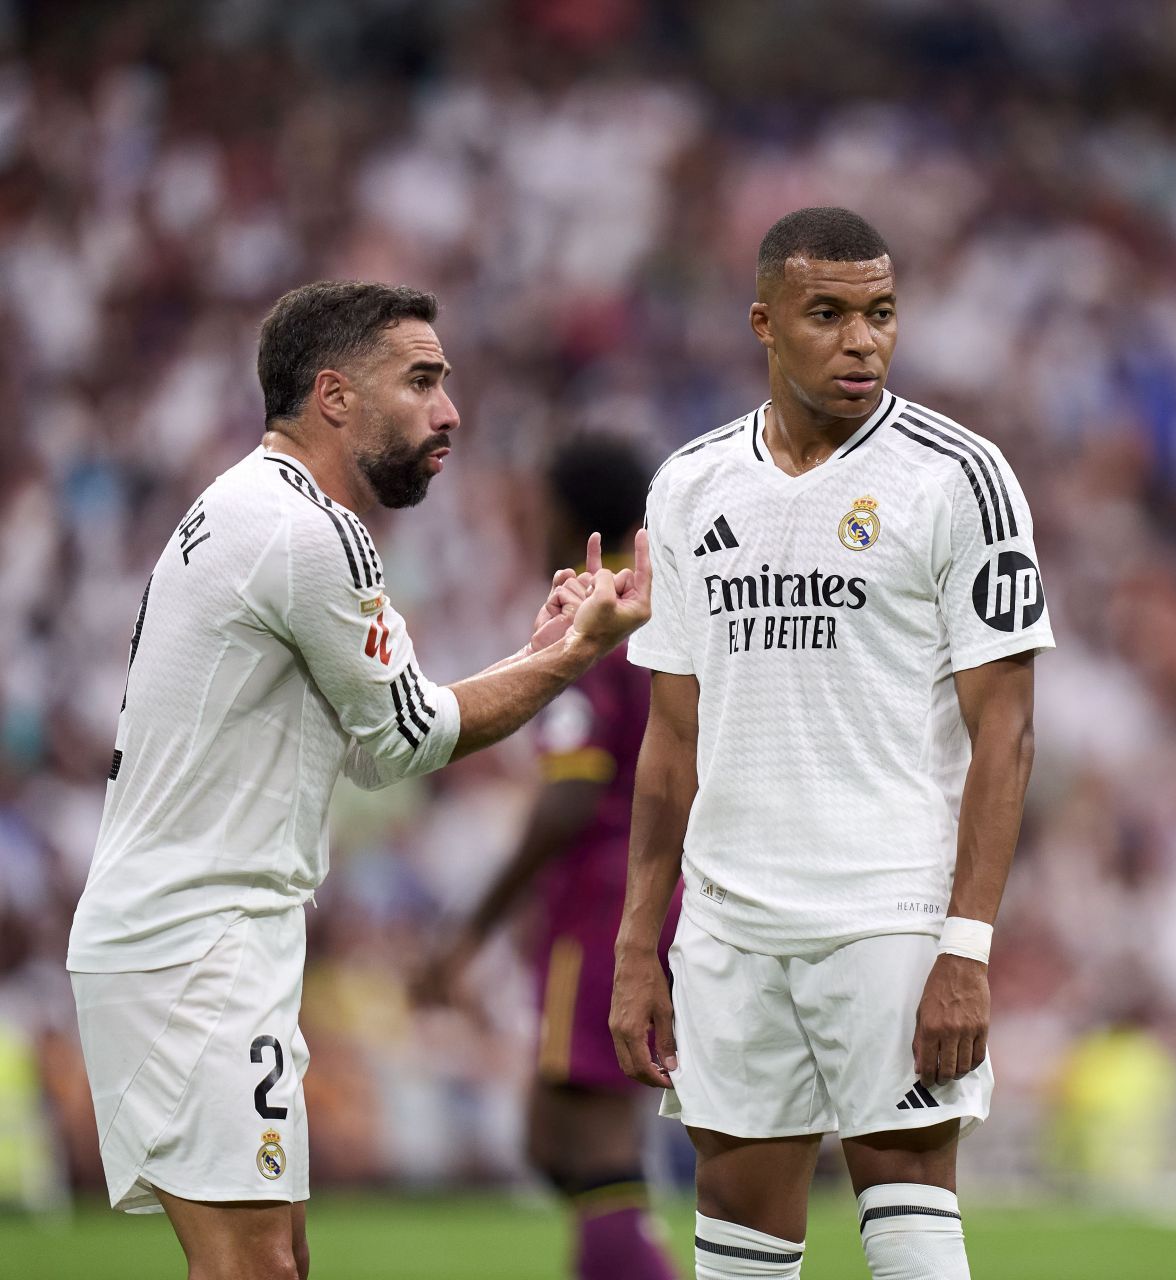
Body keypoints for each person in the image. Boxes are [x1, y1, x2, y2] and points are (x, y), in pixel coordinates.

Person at [65, 281, 651, 1280]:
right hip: (194, 940)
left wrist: (543, 648)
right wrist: (566, 657)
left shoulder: (245, 505)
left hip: (205, 932)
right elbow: (417, 733)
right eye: (421, 381)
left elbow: (382, 746)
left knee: (278, 1258)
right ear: (335, 395)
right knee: (254, 1267)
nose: (449, 411)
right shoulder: (308, 532)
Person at [608, 207, 1053, 1280]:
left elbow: (1009, 728)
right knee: (740, 1236)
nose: (863, 340)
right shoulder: (689, 485)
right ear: (765, 322)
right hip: (730, 923)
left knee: (906, 1219)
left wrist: (969, 945)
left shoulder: (959, 476)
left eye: (882, 312)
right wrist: (639, 939)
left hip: (887, 914)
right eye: (830, 314)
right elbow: (671, 739)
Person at [416, 436, 680, 1280]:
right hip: (638, 893)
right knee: (549, 1137)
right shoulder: (652, 603)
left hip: (603, 906)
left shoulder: (592, 617)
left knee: (590, 1132)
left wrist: (469, 933)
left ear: (564, 512)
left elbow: (570, 795)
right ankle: (632, 1247)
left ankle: (638, 1257)